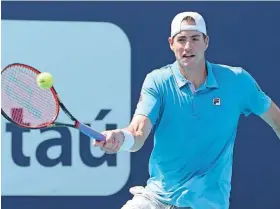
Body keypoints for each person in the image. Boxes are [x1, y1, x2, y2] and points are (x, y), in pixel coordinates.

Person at [93, 11, 280, 209]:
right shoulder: (158, 82)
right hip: (156, 199)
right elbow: (137, 133)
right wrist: (120, 137)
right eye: (181, 40)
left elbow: (277, 120)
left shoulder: (237, 81)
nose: (188, 47)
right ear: (171, 44)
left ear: (206, 41)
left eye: (194, 39)